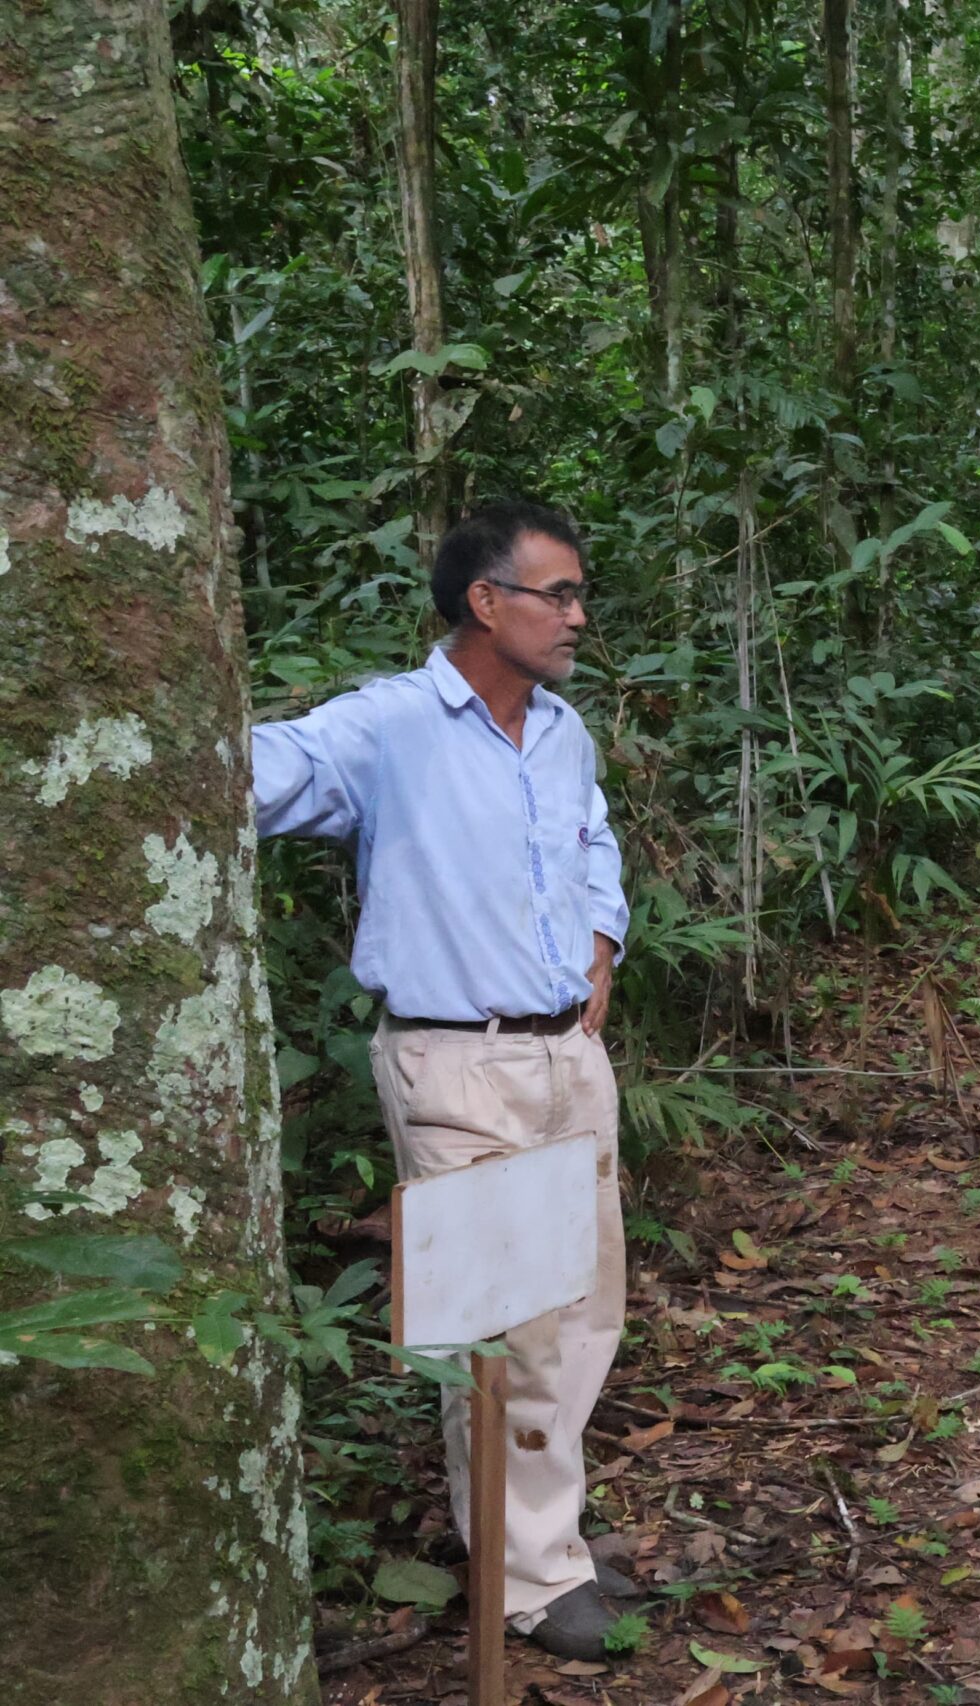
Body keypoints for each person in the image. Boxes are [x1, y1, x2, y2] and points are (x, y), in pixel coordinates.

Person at [253, 502, 633, 1663]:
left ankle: (543, 1538)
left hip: (568, 1053)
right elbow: (262, 773)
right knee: (500, 1325)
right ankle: (524, 1577)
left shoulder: (562, 729)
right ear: (484, 601)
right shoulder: (391, 726)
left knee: (577, 1313)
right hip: (454, 1062)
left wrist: (602, 941)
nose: (578, 615)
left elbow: (593, 847)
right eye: (555, 594)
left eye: (578, 593)